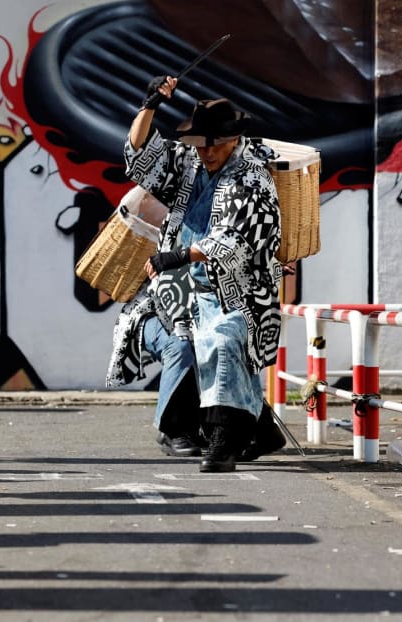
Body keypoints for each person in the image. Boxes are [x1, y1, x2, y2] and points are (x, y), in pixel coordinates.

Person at [122, 75, 283, 472]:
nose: (207, 152)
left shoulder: (253, 177)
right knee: (196, 348)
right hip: (184, 288)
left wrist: (177, 256)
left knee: (225, 346)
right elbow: (140, 157)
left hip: (239, 290)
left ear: (233, 140)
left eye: (215, 144)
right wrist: (150, 105)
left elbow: (237, 241)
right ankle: (261, 431)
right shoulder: (189, 162)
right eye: (202, 144)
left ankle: (223, 443)